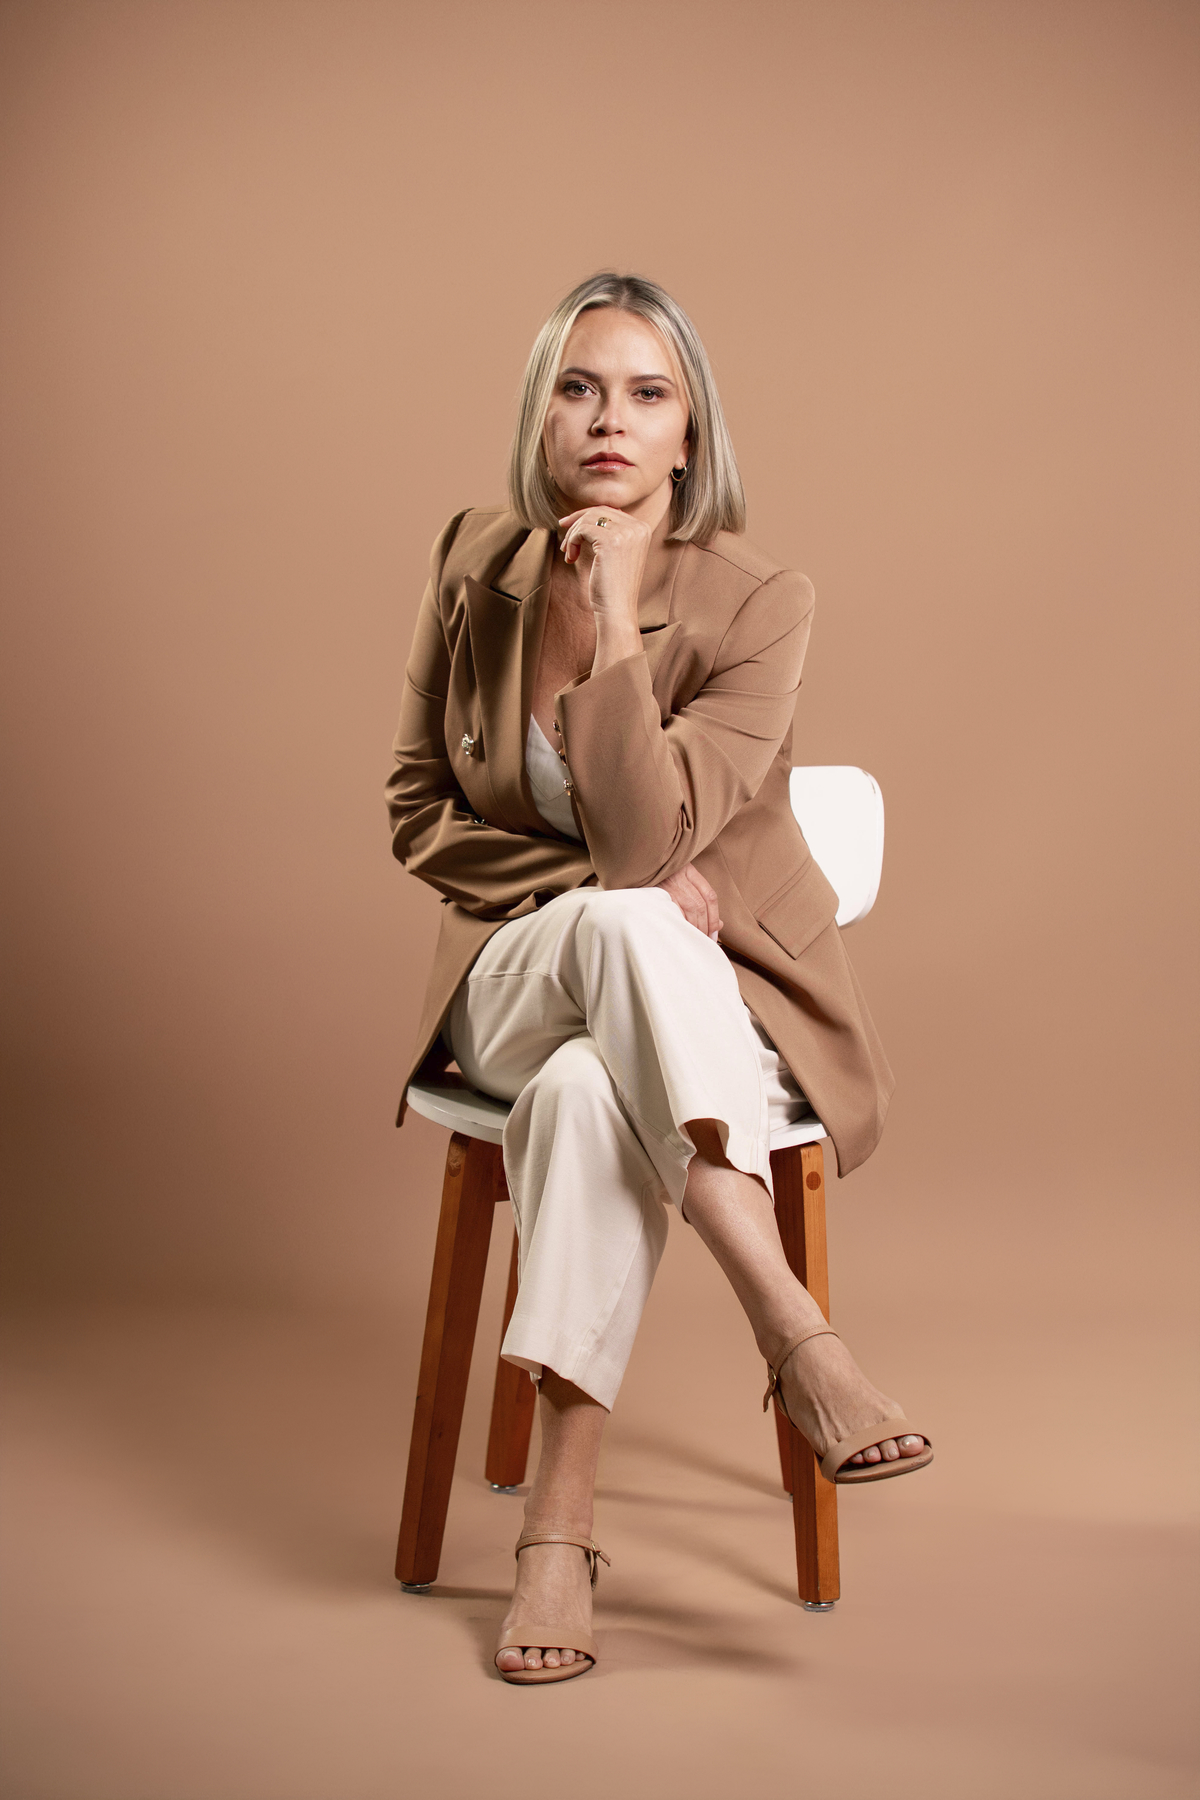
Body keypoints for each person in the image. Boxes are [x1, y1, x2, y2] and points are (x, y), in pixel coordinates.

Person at [386, 273, 931, 1686]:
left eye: (646, 393)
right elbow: (420, 812)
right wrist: (587, 891)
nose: (609, 420)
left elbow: (649, 838)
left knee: (590, 1089)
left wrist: (619, 615)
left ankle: (556, 1536)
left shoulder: (759, 604)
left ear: (691, 434)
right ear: (541, 416)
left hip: (700, 1009)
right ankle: (795, 1330)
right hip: (512, 979)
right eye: (578, 388)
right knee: (625, 923)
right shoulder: (471, 563)